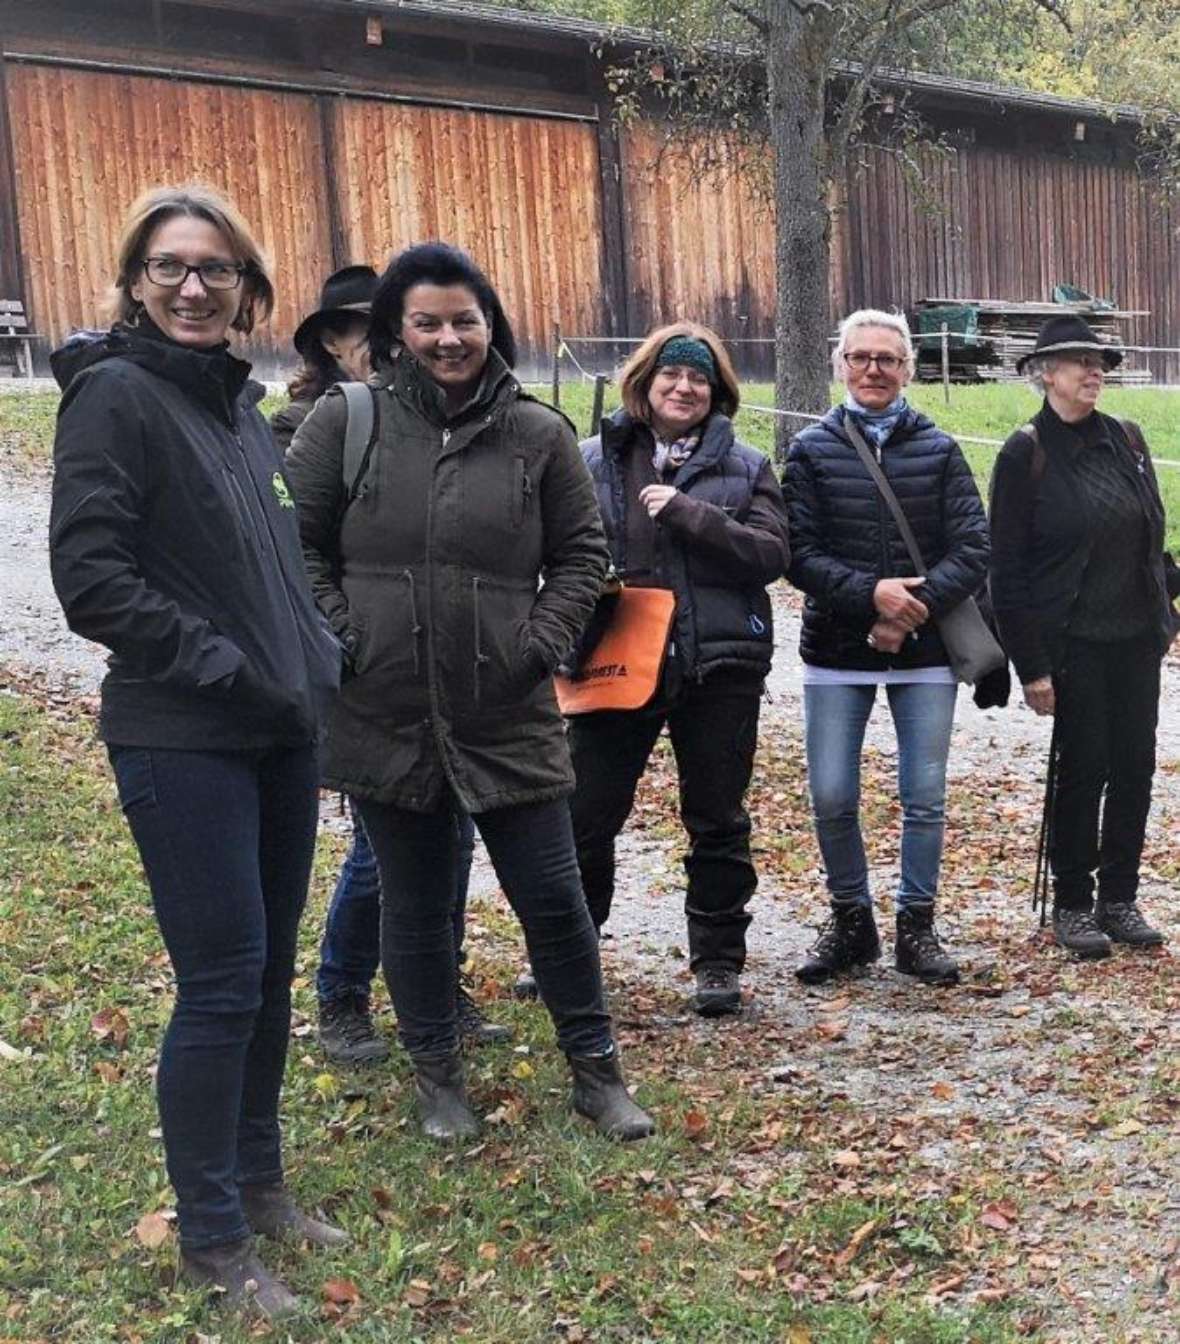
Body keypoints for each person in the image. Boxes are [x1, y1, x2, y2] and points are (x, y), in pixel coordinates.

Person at [48, 184, 345, 1321]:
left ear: (246, 288)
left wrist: (317, 656)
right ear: (134, 281)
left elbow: (275, 564)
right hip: (184, 737)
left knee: (267, 971)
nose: (191, 286)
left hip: (278, 732)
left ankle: (260, 1183)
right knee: (221, 984)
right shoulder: (115, 397)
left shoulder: (231, 408)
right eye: (169, 266)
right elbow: (93, 581)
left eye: (214, 269)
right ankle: (212, 1238)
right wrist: (227, 668)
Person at [286, 241, 654, 1143]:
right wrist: (350, 638)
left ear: (491, 323)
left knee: (554, 899)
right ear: (396, 333)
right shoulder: (346, 422)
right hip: (384, 708)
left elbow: (581, 557)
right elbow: (295, 550)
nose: (449, 338)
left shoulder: (537, 434)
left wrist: (538, 646)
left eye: (465, 320)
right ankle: (438, 1078)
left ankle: (596, 1073)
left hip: (508, 706)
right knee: (412, 906)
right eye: (428, 322)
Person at [274, 269, 508, 1061]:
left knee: (455, 841)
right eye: (353, 334)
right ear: (331, 347)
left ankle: (440, 985)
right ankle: (341, 996)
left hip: (449, 678)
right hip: (367, 679)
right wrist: (349, 640)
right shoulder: (312, 425)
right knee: (382, 853)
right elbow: (300, 554)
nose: (370, 346)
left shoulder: (430, 420)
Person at [565, 322, 789, 1018]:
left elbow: (773, 555)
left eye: (699, 378)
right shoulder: (591, 460)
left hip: (719, 664)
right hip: (614, 662)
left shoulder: (746, 467)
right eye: (672, 374)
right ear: (646, 381)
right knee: (585, 814)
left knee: (717, 817)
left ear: (717, 392)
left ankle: (718, 963)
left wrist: (693, 515)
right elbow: (557, 550)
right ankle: (571, 952)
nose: (684, 387)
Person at [785, 308, 990, 987]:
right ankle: (851, 920)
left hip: (925, 653)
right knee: (833, 794)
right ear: (842, 363)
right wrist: (869, 595)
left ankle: (917, 926)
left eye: (888, 359)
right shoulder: (811, 450)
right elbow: (798, 554)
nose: (875, 369)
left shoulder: (938, 447)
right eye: (861, 357)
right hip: (836, 650)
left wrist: (911, 610)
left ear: (908, 368)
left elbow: (974, 547)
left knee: (924, 794)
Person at [990, 315, 1178, 957]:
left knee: (1134, 767)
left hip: (1135, 640)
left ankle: (1119, 897)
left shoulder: (1128, 440)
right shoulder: (1026, 452)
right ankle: (1072, 902)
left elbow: (1150, 538)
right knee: (1084, 768)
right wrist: (1032, 666)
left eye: (1098, 361)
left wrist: (1166, 606)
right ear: (1046, 374)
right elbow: (1006, 571)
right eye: (1078, 362)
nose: (1093, 371)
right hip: (1073, 643)